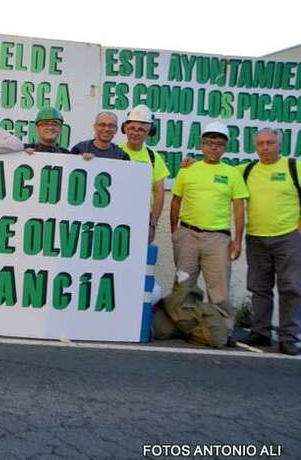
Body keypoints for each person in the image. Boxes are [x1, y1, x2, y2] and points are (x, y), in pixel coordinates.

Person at [169, 121, 248, 339]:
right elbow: (176, 202)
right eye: (209, 143)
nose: (213, 148)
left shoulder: (232, 173)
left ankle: (223, 331)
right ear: (202, 145)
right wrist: (175, 232)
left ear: (225, 148)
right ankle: (184, 327)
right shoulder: (187, 170)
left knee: (219, 289)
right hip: (187, 235)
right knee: (184, 284)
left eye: (219, 144)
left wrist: (237, 241)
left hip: (218, 239)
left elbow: (239, 209)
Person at [238, 128, 301, 355]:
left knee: (292, 287)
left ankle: (289, 337)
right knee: (259, 288)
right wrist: (191, 164)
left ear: (279, 145)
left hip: (288, 237)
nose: (265, 147)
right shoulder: (247, 170)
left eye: (270, 143)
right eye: (261, 143)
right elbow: (219, 172)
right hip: (256, 237)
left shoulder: (294, 167)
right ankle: (261, 332)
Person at [119, 104, 169, 243]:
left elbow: (159, 194)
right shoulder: (114, 152)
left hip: (141, 220)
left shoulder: (154, 158)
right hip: (115, 216)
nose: (136, 133)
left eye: (141, 129)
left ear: (149, 132)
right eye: (132, 128)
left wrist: (152, 224)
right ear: (125, 129)